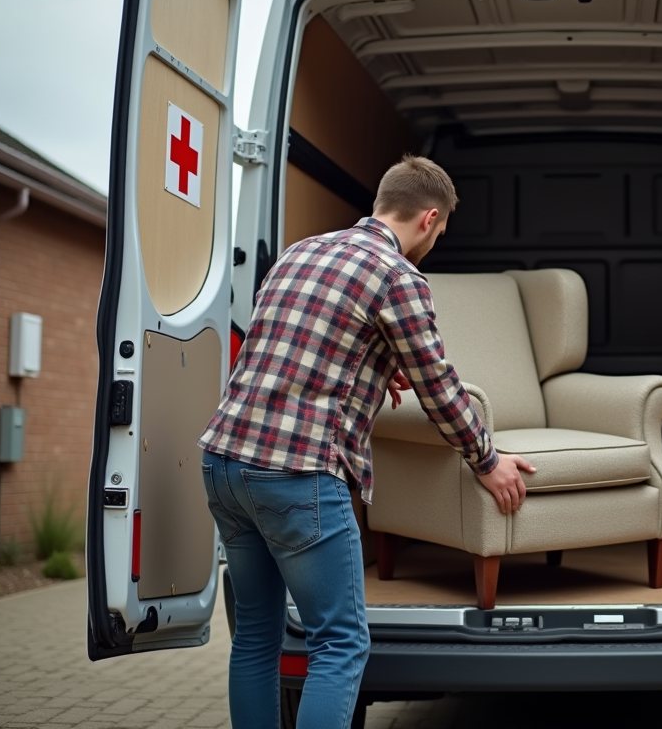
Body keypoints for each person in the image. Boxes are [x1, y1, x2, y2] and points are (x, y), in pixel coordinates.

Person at [197, 154, 534, 729]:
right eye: (441, 231)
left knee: (255, 636)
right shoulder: (399, 275)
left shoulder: (300, 251)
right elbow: (439, 386)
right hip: (297, 471)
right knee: (340, 643)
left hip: (225, 461)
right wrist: (487, 459)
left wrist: (379, 364)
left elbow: (286, 344)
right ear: (429, 219)